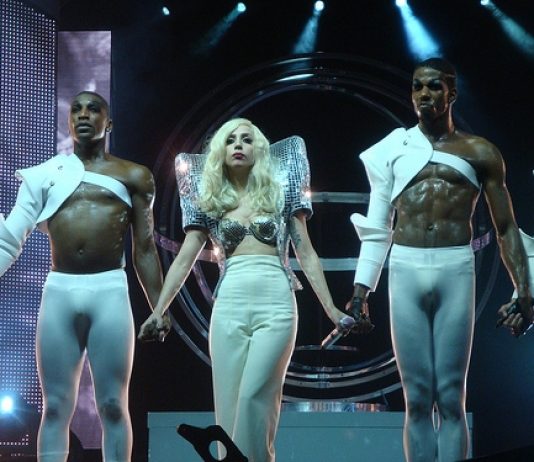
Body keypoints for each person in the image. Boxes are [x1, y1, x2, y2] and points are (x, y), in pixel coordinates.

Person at [347, 58, 533, 462]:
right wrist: (361, 291)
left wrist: (525, 289)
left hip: (454, 268)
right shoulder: (393, 149)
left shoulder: (480, 151)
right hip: (405, 267)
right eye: (417, 86)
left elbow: (506, 227)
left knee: (450, 395)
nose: (424, 94)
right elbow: (377, 225)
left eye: (434, 86)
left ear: (452, 93)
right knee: (416, 397)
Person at [138, 118, 349, 462]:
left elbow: (306, 252)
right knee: (230, 405)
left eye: (247, 139)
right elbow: (184, 259)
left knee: (255, 397)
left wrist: (332, 309)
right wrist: (158, 310)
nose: (238, 145)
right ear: (220, 152)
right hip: (229, 304)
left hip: (276, 301)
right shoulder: (211, 200)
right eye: (230, 140)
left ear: (259, 149)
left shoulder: (278, 194)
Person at [0, 91, 168, 462]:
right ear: (69, 121)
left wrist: (160, 308)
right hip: (59, 291)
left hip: (109, 291)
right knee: (55, 407)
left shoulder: (134, 175)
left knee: (113, 404)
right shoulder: (46, 175)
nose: (83, 115)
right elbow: (9, 239)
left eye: (94, 109)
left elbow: (144, 249)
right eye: (76, 109)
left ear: (109, 123)